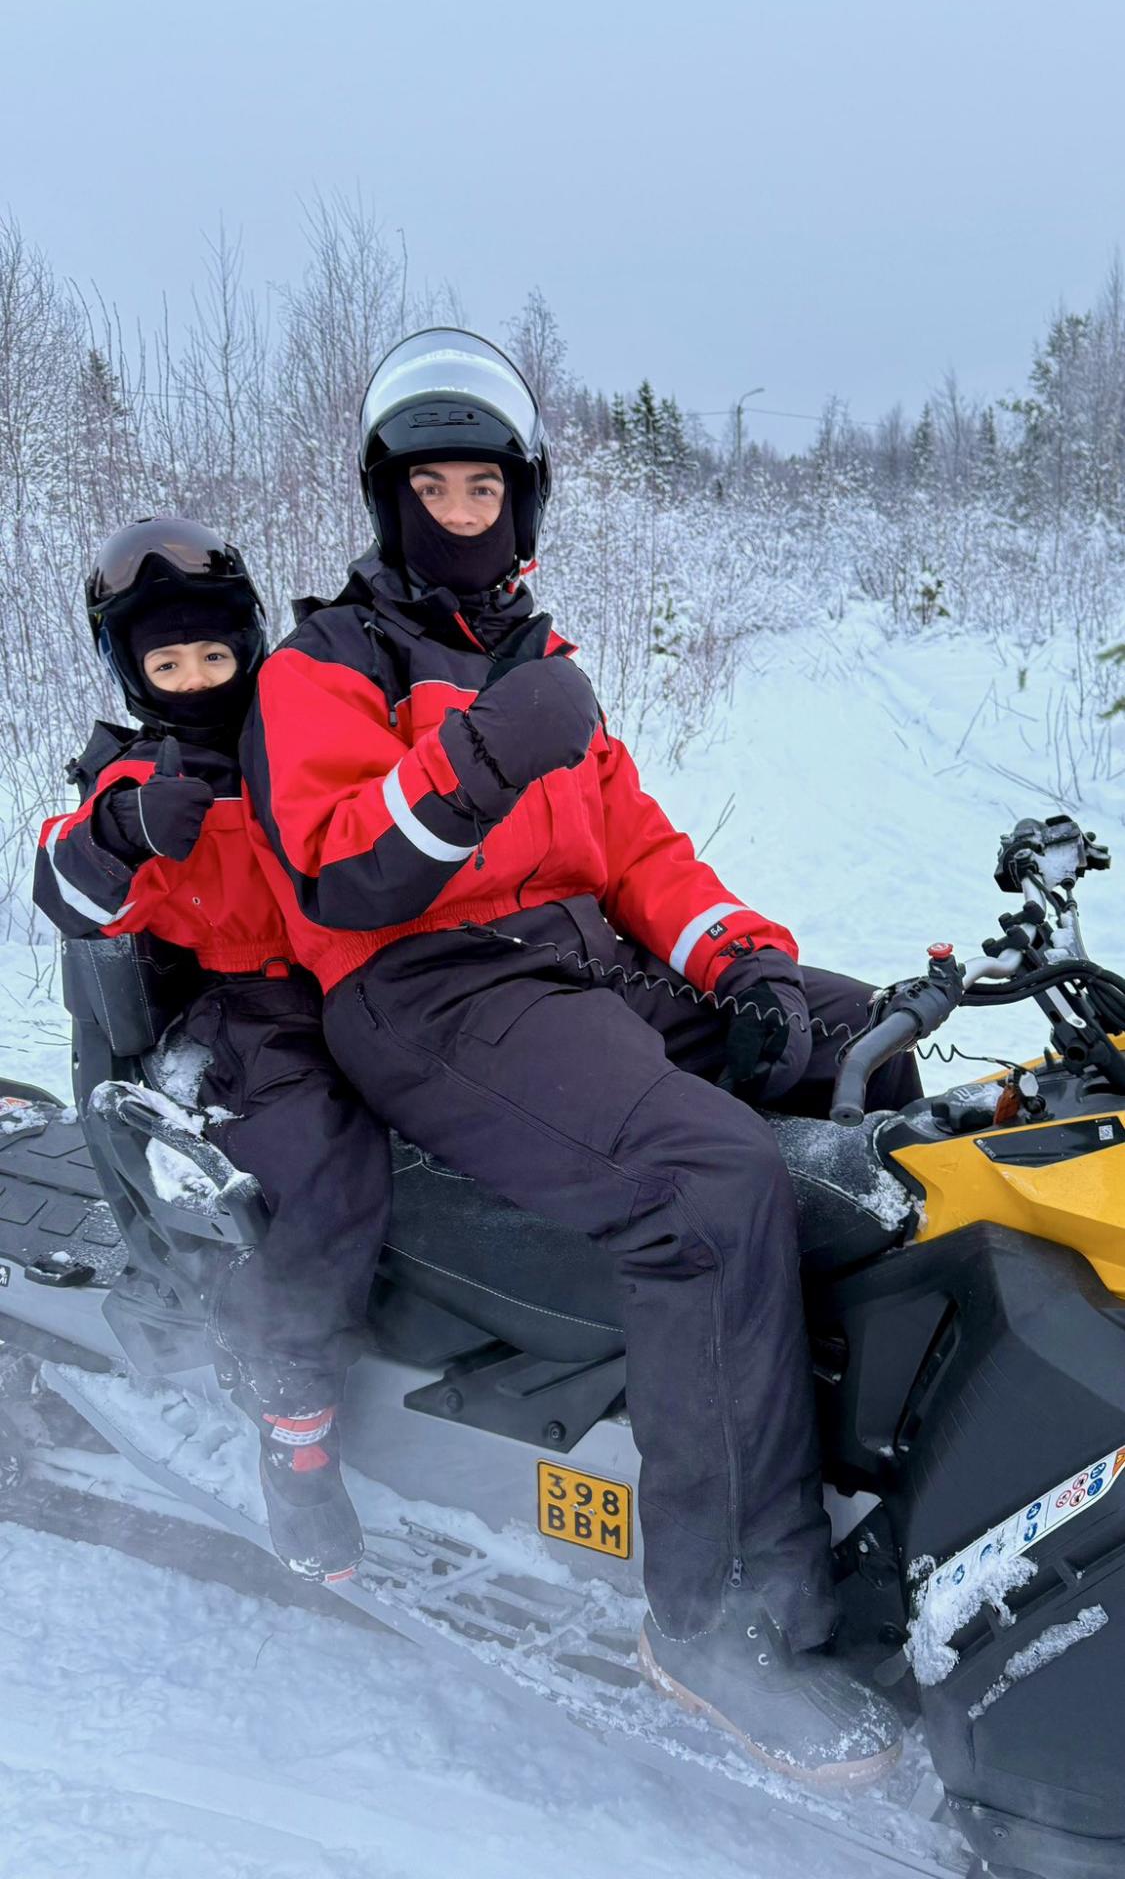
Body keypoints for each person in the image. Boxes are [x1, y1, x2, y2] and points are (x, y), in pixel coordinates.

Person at [241, 330, 921, 1783]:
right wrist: (478, 758)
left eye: (479, 486)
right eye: (428, 485)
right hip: (422, 987)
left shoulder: (539, 662)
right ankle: (723, 1621)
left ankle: (869, 1475)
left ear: (521, 501)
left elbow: (638, 854)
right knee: (704, 1182)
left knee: (864, 1050)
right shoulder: (324, 668)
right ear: (385, 499)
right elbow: (339, 868)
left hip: (565, 960)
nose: (454, 512)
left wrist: (745, 959)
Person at [35, 517, 390, 1586]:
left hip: (360, 981)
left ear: (249, 647)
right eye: (167, 662)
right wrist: (127, 829)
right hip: (238, 1011)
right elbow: (62, 885)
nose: (195, 680)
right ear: (132, 673)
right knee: (328, 1160)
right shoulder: (134, 775)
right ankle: (293, 1416)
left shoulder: (296, 736)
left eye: (216, 656)